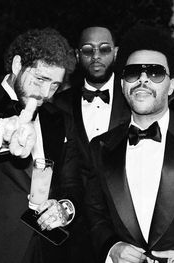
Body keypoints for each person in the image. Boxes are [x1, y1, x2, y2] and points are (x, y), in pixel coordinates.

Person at [86, 24, 174, 263]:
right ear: (122, 85)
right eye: (133, 73)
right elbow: (95, 213)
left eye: (155, 73)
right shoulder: (100, 146)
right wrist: (111, 247)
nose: (142, 80)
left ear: (171, 85)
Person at [0, 27, 82, 263]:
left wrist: (65, 208)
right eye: (41, 79)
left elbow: (72, 182)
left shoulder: (61, 119)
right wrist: (3, 130)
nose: (45, 93)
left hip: (48, 249)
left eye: (55, 85)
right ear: (17, 65)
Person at [54, 25, 130, 262]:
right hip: (71, 228)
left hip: (124, 227)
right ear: (77, 55)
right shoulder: (59, 103)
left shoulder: (135, 100)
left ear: (115, 52)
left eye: (104, 49)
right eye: (88, 49)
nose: (96, 56)